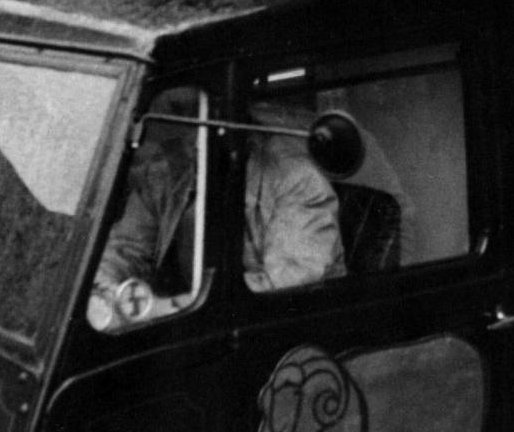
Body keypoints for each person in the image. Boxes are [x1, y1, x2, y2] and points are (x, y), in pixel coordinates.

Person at [88, 87, 340, 331]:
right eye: (186, 117)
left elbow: (282, 288)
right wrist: (105, 289)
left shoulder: (298, 181)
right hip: (190, 319)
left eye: (198, 117)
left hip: (276, 330)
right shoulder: (170, 170)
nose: (190, 139)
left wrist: (169, 308)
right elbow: (125, 248)